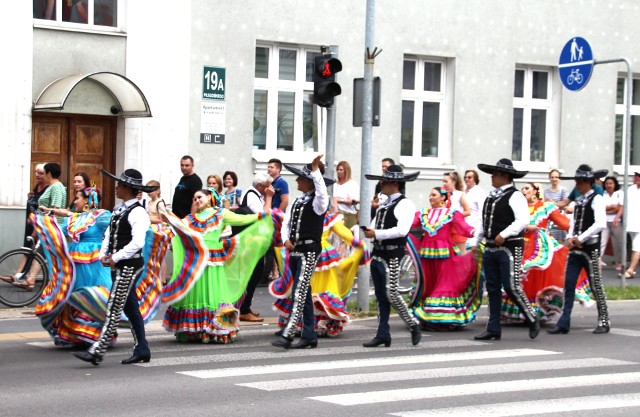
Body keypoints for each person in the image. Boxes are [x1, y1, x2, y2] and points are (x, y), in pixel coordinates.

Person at [161, 189, 272, 343]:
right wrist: (166, 218)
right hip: (196, 261)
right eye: (194, 198)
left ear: (209, 197)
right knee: (198, 293)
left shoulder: (221, 213)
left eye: (199, 197)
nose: (197, 200)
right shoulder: (190, 218)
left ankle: (213, 328)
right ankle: (196, 330)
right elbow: (178, 228)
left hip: (213, 260)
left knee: (213, 293)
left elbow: (245, 219)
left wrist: (268, 203)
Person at [73, 169, 158, 366]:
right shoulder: (119, 209)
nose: (117, 187)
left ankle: (97, 351)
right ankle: (142, 348)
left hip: (129, 265)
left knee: (114, 305)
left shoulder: (138, 212)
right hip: (119, 263)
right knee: (129, 306)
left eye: (120, 184)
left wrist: (115, 257)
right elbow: (109, 234)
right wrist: (104, 255)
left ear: (129, 188)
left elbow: (137, 242)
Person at [501, 182, 591, 322]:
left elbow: (564, 223)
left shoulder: (544, 207)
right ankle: (520, 309)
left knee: (537, 275)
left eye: (527, 188)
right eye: (522, 188)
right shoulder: (518, 207)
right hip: (520, 244)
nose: (524, 191)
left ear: (535, 191)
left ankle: (538, 311)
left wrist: (578, 236)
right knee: (517, 275)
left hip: (540, 246)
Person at [270, 211, 369, 337]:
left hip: (321, 256)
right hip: (303, 251)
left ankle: (308, 326)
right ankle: (297, 324)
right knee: (299, 289)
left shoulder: (327, 217)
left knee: (311, 289)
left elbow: (345, 234)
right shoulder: (302, 211)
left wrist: (358, 244)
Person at [35, 187, 113, 346]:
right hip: (76, 262)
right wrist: (43, 224)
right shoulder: (76, 218)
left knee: (93, 295)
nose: (74, 201)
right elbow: (58, 231)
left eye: (77, 198)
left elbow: (115, 228)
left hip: (95, 263)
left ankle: (95, 333)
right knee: (73, 295)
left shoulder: (101, 216)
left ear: (87, 201)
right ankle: (73, 334)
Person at [474, 158, 540, 341]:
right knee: (493, 288)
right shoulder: (490, 196)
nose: (492, 177)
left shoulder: (515, 195)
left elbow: (522, 220)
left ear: (505, 176)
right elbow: (482, 221)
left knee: (512, 286)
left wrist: (504, 234)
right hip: (490, 247)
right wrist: (475, 240)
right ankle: (493, 327)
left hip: (509, 247)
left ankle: (532, 318)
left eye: (495, 174)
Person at [272, 154, 332, 350]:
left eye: (300, 177)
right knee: (303, 293)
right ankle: (309, 335)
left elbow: (322, 192)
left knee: (298, 290)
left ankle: (288, 334)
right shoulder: (298, 200)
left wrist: (316, 170)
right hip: (296, 251)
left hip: (309, 251)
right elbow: (286, 224)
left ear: (309, 181)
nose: (297, 180)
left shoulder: (319, 201)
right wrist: (285, 239)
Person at [361, 164, 422, 347]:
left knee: (392, 293)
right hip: (378, 253)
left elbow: (402, 230)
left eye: (385, 181)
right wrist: (371, 230)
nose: (381, 184)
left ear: (394, 183)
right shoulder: (384, 205)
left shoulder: (405, 203)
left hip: (393, 255)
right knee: (380, 296)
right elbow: (375, 224)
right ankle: (382, 333)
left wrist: (377, 234)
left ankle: (413, 324)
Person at [548, 165, 609, 335]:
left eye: (580, 182)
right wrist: (570, 236)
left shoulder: (597, 199)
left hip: (590, 248)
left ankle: (604, 319)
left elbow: (600, 224)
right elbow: (574, 221)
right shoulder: (580, 200)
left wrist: (580, 238)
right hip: (576, 247)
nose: (577, 185)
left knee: (596, 284)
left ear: (588, 183)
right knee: (568, 284)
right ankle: (564, 321)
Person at [411, 187, 479, 330]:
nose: (430, 197)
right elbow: (409, 224)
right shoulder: (423, 213)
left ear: (443, 197)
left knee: (444, 285)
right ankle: (427, 314)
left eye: (434, 195)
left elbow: (464, 227)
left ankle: (441, 317)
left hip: (445, 256)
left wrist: (478, 234)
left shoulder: (451, 213)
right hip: (426, 256)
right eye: (430, 195)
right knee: (429, 284)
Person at [238, 172, 275, 322]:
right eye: (268, 185)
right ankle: (243, 309)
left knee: (255, 272)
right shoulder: (252, 195)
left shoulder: (255, 194)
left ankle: (245, 307)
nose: (270, 188)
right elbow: (264, 214)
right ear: (260, 186)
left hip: (253, 240)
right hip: (250, 241)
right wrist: (269, 198)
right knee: (253, 273)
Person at [443, 171, 471, 254]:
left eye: (446, 181)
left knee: (460, 256)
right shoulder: (443, 196)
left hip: (457, 229)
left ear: (453, 182)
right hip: (445, 230)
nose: (444, 184)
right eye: (443, 181)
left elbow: (468, 211)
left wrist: (454, 216)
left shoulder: (459, 194)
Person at [601, 176, 624, 270]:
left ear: (615, 184)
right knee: (602, 242)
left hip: (616, 221)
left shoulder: (619, 193)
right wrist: (612, 208)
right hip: (604, 221)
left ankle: (620, 262)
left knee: (620, 242)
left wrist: (616, 216)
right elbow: (602, 208)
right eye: (607, 184)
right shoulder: (603, 194)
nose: (608, 185)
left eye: (611, 183)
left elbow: (620, 207)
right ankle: (597, 261)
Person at [620, 171, 640, 279]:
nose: (637, 178)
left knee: (637, 247)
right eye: (636, 176)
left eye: (639, 176)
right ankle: (632, 269)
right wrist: (618, 217)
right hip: (631, 223)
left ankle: (630, 270)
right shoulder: (630, 189)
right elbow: (624, 205)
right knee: (635, 247)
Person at [24, 163, 49, 244]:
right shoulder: (37, 186)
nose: (37, 175)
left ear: (47, 175)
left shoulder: (48, 189)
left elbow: (43, 209)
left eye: (41, 173)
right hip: (30, 224)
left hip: (39, 225)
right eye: (36, 172)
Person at [544, 169, 570, 243]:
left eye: (556, 177)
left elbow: (565, 205)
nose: (554, 179)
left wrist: (553, 203)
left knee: (559, 244)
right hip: (549, 220)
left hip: (559, 219)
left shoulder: (563, 190)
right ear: (549, 178)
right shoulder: (546, 191)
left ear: (559, 178)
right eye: (552, 177)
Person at [333, 160, 360, 229]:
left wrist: (339, 200)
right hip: (335, 213)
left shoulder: (352, 184)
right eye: (338, 170)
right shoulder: (335, 184)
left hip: (348, 214)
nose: (338, 171)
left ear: (346, 171)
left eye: (341, 170)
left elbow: (354, 200)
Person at [463, 169, 485, 247]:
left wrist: (478, 234)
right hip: (462, 228)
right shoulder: (462, 191)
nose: (466, 179)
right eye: (465, 177)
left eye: (469, 177)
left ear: (475, 179)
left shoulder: (479, 192)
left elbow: (482, 212)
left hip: (473, 227)